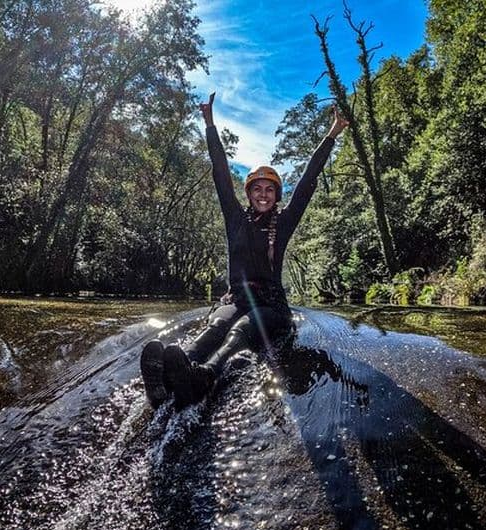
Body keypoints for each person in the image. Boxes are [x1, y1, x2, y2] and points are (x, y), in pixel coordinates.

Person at [141, 92, 349, 409]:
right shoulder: (235, 218)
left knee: (241, 329)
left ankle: (206, 375)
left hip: (271, 306)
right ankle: (177, 369)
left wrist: (332, 133)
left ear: (275, 195)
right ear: (249, 193)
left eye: (269, 190)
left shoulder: (285, 221)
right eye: (257, 189)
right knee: (218, 324)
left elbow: (308, 180)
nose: (263, 194)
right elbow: (221, 171)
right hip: (236, 298)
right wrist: (209, 124)